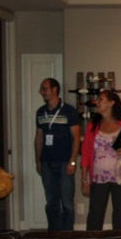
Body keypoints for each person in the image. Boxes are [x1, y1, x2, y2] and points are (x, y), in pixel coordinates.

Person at [80, 89, 121, 231]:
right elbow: (85, 153)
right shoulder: (93, 126)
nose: (97, 102)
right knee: (95, 218)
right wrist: (84, 180)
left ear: (111, 103)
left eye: (101, 99)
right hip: (97, 177)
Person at [35, 78, 81, 230]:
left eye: (44, 88)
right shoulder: (40, 112)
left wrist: (73, 161)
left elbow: (76, 138)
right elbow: (39, 137)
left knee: (67, 202)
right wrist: (38, 161)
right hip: (46, 163)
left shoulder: (69, 111)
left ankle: (67, 235)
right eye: (42, 89)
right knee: (51, 201)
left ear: (55, 90)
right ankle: (53, 233)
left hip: (64, 163)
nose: (41, 92)